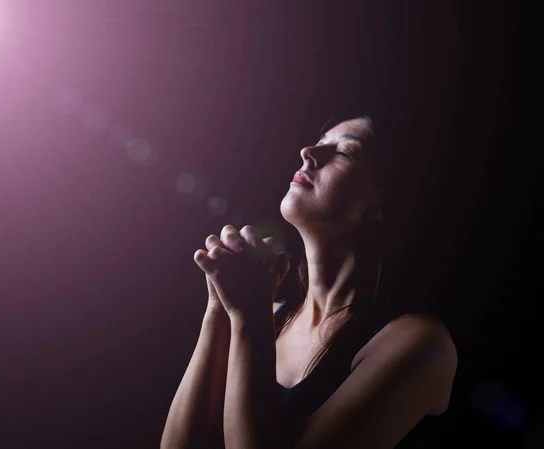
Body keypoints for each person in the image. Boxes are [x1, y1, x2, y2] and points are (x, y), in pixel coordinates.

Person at [160, 116, 457, 449]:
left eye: (345, 151)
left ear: (380, 204)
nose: (308, 152)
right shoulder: (264, 313)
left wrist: (247, 318)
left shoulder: (421, 344)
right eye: (321, 141)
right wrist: (219, 306)